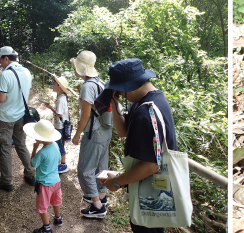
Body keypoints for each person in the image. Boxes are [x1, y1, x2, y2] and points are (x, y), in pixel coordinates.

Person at [98, 58, 178, 233]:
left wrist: (117, 182)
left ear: (130, 85)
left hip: (150, 194)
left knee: (145, 228)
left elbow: (151, 165)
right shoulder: (149, 100)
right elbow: (123, 131)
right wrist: (114, 102)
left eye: (119, 89)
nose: (117, 91)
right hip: (151, 188)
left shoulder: (145, 113)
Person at [70, 50, 113, 219]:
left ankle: (97, 207)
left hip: (94, 133)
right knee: (101, 167)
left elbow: (86, 115)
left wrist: (77, 135)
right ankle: (101, 197)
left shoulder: (88, 87)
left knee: (85, 170)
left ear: (80, 68)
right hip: (106, 130)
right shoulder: (100, 82)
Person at [0, 46, 36, 190]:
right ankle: (30, 174)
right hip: (21, 114)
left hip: (6, 117)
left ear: (6, 58)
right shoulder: (27, 72)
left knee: (4, 148)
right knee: (21, 144)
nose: (0, 63)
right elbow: (27, 93)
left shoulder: (5, 74)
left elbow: (2, 99)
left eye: (0, 60)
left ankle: (6, 181)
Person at [27, 119, 64, 233]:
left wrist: (34, 148)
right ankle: (58, 218)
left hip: (44, 184)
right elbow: (58, 159)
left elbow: (32, 163)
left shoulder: (42, 153)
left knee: (43, 207)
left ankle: (47, 228)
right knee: (56, 201)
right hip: (56, 182)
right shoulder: (56, 146)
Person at [40, 74, 71, 173]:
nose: (53, 86)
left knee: (59, 144)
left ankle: (63, 164)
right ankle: (59, 162)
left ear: (59, 86)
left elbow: (59, 114)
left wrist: (50, 107)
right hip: (61, 125)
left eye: (54, 84)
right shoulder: (61, 97)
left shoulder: (61, 98)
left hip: (60, 126)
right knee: (59, 143)